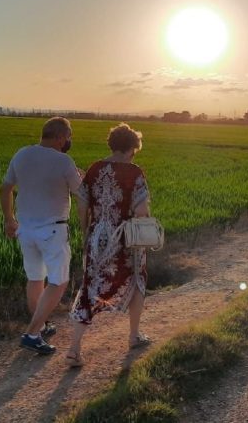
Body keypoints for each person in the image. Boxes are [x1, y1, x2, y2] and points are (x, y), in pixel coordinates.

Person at [66, 123, 152, 367]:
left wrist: (86, 233)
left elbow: (82, 205)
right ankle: (134, 335)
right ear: (132, 147)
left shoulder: (94, 169)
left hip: (97, 237)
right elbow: (141, 210)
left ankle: (74, 348)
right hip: (126, 239)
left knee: (89, 286)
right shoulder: (134, 173)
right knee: (137, 279)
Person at [0, 117, 82, 355]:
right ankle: (33, 333)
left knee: (36, 279)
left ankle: (42, 326)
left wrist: (8, 219)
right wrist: (82, 177)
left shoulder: (22, 154)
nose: (69, 141)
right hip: (52, 230)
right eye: (68, 137)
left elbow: (5, 188)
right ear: (60, 137)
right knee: (59, 281)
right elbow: (81, 193)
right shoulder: (64, 161)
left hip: (25, 229)